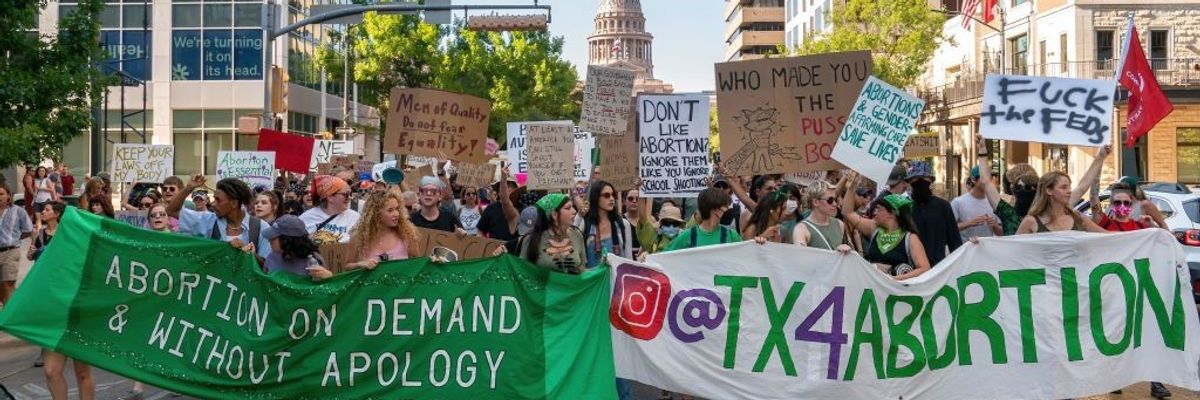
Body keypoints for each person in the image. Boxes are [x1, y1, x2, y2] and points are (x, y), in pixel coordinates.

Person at [841, 175, 931, 280]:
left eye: (879, 209)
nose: (874, 212)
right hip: (872, 286)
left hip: (896, 289)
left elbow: (925, 269)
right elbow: (847, 213)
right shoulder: (874, 228)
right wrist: (852, 186)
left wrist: (893, 279)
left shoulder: (910, 238)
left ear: (892, 213)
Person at [167, 174, 272, 260]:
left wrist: (249, 254)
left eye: (218, 200)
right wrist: (189, 188)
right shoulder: (209, 221)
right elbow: (172, 211)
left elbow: (268, 267)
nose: (213, 204)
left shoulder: (261, 228)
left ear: (234, 203)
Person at [973, 135, 1037, 235]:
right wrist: (982, 150)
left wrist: (982, 151)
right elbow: (985, 181)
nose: (1024, 190)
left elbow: (985, 181)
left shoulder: (1008, 213)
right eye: (1018, 187)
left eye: (1029, 187)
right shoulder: (1048, 213)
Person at [904, 161, 963, 266]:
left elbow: (955, 242)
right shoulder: (904, 208)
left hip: (938, 268)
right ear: (909, 181)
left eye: (924, 177)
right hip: (910, 269)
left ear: (931, 180)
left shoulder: (943, 206)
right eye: (916, 178)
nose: (920, 181)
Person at [345, 190, 419, 270]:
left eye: (397, 209)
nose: (396, 214)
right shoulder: (359, 237)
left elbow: (418, 263)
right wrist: (360, 264)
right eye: (390, 210)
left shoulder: (406, 234)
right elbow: (347, 267)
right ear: (376, 213)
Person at [514, 193, 587, 274]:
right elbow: (522, 272)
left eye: (573, 207)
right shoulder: (531, 240)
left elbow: (582, 269)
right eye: (568, 208)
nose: (574, 211)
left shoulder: (577, 235)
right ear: (554, 215)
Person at [1016, 171, 1108, 234]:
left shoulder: (1078, 218)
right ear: (1049, 190)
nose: (1069, 191)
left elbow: (1107, 237)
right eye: (1064, 187)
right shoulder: (1031, 221)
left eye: (1069, 187)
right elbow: (1014, 249)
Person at [664, 188, 743, 252]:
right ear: (716, 210)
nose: (728, 209)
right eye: (726, 207)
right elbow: (665, 258)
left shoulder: (732, 235)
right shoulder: (687, 236)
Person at [578, 181, 632, 269]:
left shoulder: (623, 224)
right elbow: (571, 236)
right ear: (596, 197)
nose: (611, 199)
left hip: (617, 277)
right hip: (593, 277)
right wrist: (579, 214)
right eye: (606, 195)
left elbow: (629, 259)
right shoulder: (585, 224)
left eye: (613, 195)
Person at [262, 215, 333, 280]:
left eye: (273, 237)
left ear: (287, 240)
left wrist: (328, 277)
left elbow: (323, 287)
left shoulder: (313, 260)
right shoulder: (271, 257)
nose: (269, 240)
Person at [791, 181, 852, 253]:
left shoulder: (839, 224)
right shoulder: (801, 229)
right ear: (815, 202)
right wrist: (834, 254)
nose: (835, 204)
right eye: (830, 200)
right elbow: (801, 256)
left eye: (835, 200)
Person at [300, 175, 361, 245]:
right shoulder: (305, 219)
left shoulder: (355, 217)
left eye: (350, 194)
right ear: (330, 197)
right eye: (346, 194)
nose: (350, 198)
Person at [1, 183, 34, 305]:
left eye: (1, 194)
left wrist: (14, 238)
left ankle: (9, 314)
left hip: (10, 251)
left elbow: (29, 230)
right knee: (1, 288)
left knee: (8, 284)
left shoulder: (18, 211)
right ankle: (7, 309)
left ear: (8, 196)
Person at [952, 165, 1004, 241]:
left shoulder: (994, 202)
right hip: (966, 247)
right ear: (973, 179)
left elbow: (1001, 234)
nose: (988, 181)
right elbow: (948, 228)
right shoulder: (958, 202)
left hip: (986, 247)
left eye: (990, 178)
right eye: (984, 177)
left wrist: (995, 226)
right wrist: (970, 223)